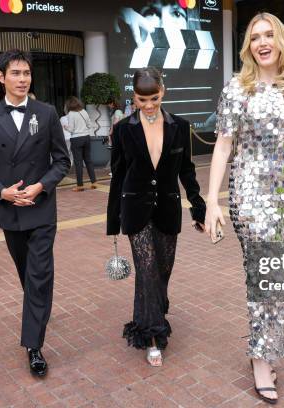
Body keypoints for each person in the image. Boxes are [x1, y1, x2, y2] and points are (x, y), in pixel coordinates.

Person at [205, 13, 284, 404]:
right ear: (248, 46)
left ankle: (270, 348)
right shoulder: (237, 90)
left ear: (282, 40)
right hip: (249, 196)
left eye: (269, 35)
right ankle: (260, 356)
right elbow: (222, 146)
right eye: (255, 37)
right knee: (263, 275)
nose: (263, 42)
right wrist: (211, 201)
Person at [0, 49, 70, 377]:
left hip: (42, 210)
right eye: (15, 73)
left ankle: (34, 346)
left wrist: (40, 186)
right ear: (1, 77)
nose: (22, 79)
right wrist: (2, 192)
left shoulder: (46, 113)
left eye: (26, 73)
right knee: (27, 275)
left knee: (39, 275)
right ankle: (38, 306)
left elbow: (62, 161)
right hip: (10, 213)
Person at [107, 67, 206, 367]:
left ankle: (151, 313)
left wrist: (198, 207)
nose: (148, 105)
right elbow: (118, 175)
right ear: (133, 97)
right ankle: (152, 335)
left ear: (163, 91)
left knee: (163, 270)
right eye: (141, 99)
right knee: (147, 270)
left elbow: (186, 171)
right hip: (135, 210)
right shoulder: (124, 129)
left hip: (168, 208)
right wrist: (113, 222)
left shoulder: (180, 126)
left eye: (154, 98)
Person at [64, 96, 97, 192]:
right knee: (88, 160)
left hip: (76, 139)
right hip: (86, 137)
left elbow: (71, 129)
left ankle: (80, 185)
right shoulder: (84, 111)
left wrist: (66, 127)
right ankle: (94, 182)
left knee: (78, 162)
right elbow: (89, 125)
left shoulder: (71, 114)